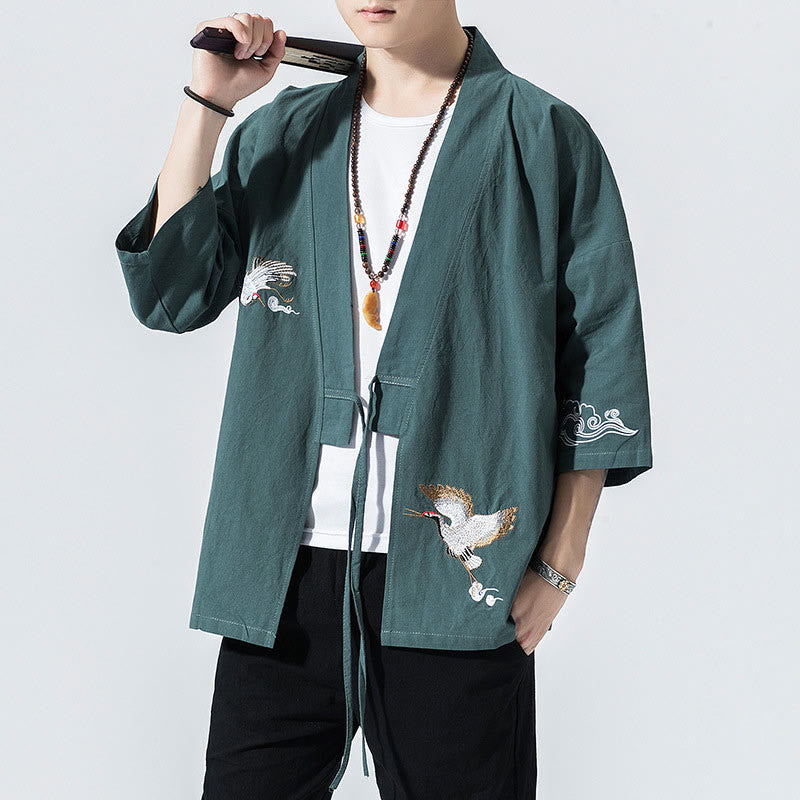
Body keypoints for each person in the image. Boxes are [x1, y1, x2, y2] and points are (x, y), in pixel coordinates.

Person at [114, 2, 653, 797]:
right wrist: (210, 103)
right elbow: (173, 291)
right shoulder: (287, 132)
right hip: (282, 575)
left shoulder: (541, 136)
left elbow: (602, 353)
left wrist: (561, 560)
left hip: (455, 583)